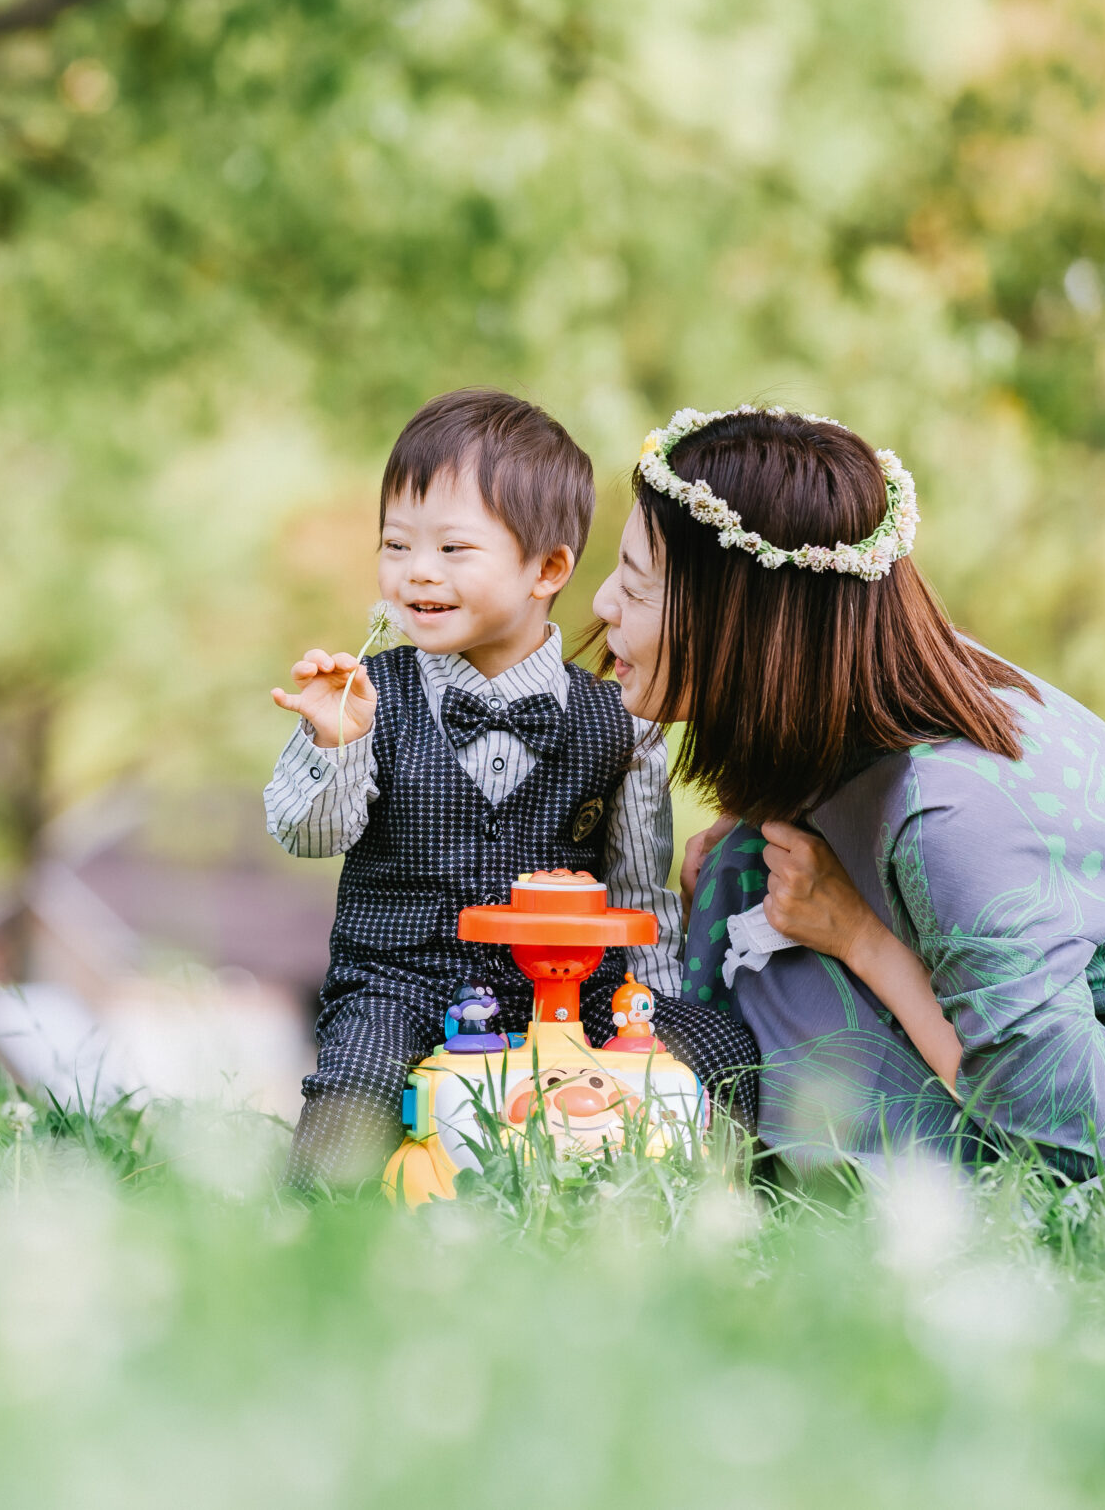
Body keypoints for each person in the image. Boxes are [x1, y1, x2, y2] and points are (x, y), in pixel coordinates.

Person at [588, 404, 1105, 1198]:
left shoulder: (951, 815)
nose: (601, 605)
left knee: (780, 951)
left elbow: (1065, 1137)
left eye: (635, 584)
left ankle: (830, 1193)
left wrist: (861, 938)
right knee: (747, 872)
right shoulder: (862, 678)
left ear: (748, 619)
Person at [265, 389, 761, 1190]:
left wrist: (648, 1011)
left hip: (577, 992)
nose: (417, 570)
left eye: (453, 548)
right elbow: (307, 833)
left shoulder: (624, 721)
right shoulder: (365, 695)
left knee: (723, 1049)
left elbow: (639, 893)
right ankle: (314, 1227)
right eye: (396, 543)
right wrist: (337, 740)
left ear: (548, 568)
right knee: (352, 1097)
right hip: (399, 984)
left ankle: (712, 1209)